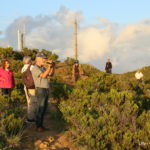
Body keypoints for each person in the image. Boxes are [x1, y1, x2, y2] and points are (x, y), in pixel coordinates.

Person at [31, 52, 54, 132]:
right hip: (40, 90)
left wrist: (52, 67)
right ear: (38, 59)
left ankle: (41, 125)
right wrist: (48, 67)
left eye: (45, 58)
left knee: (43, 108)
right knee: (40, 108)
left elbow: (50, 74)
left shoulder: (43, 68)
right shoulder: (35, 68)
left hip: (45, 89)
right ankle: (38, 126)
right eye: (43, 59)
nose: (45, 60)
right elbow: (43, 76)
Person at [21, 56, 37, 123]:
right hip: (32, 88)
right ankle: (30, 118)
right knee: (33, 103)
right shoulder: (32, 67)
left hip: (26, 87)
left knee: (29, 103)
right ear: (29, 61)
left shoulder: (23, 68)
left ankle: (29, 117)